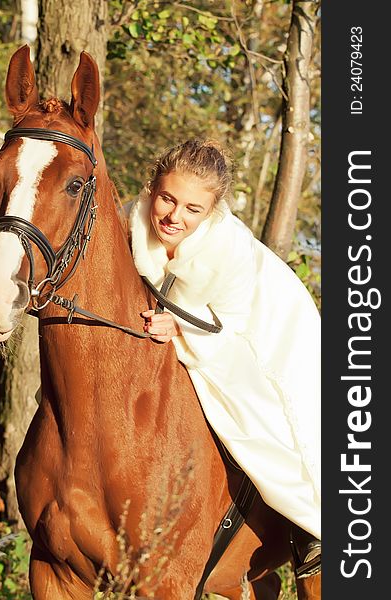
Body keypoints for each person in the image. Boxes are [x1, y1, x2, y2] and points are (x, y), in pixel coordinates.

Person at [127, 138, 321, 575]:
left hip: (266, 332)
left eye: (193, 209)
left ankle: (313, 525)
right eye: (167, 199)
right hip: (203, 327)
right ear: (152, 188)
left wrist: (178, 326)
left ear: (211, 212)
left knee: (260, 414)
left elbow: (228, 328)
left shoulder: (228, 251)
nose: (175, 217)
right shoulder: (133, 222)